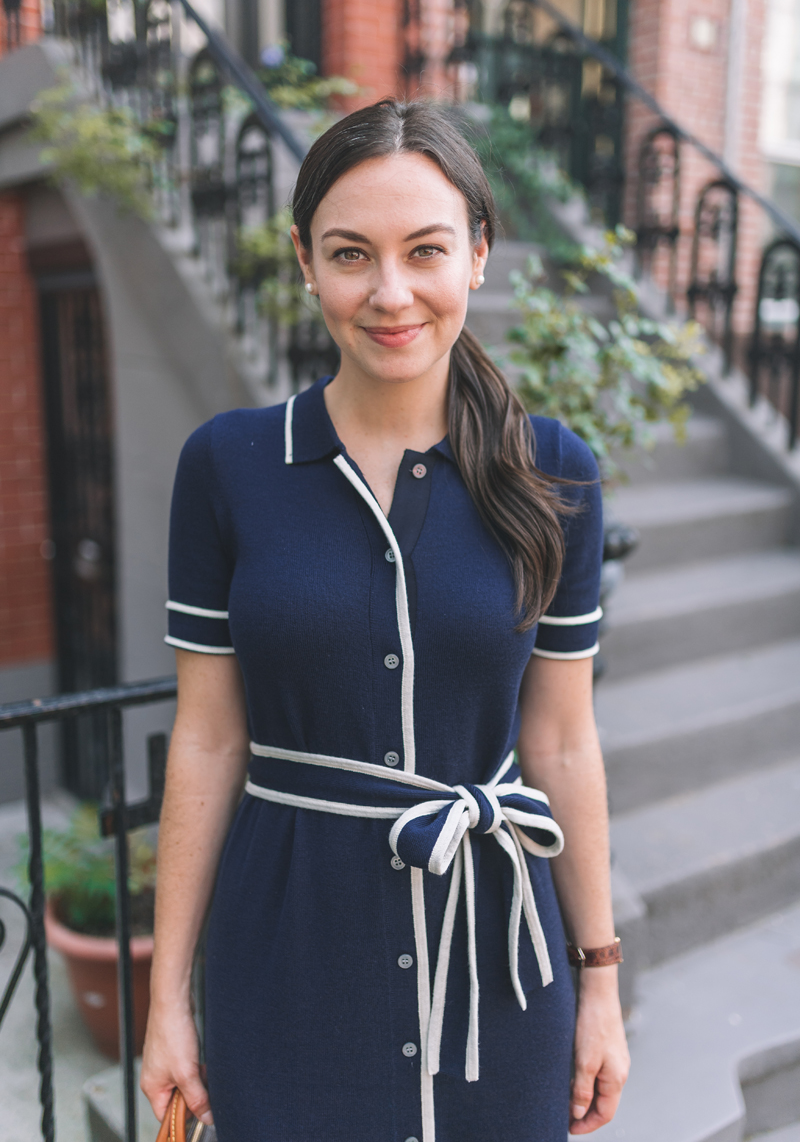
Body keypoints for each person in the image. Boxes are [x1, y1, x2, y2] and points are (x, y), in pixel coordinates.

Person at [141, 98, 630, 1142]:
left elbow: (559, 742)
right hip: (284, 963)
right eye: (351, 254)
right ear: (305, 262)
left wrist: (598, 982)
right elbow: (208, 738)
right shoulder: (227, 466)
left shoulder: (554, 473)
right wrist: (165, 998)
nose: (390, 292)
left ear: (479, 255)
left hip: (497, 965)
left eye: (426, 251)